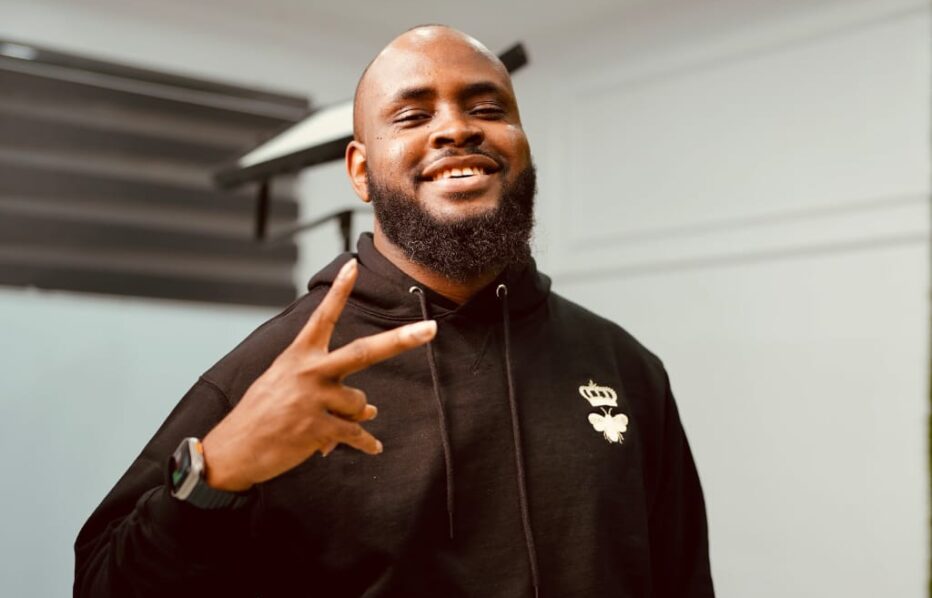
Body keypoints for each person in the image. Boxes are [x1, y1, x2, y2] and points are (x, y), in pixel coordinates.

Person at [74, 25, 714, 598]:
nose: (456, 129)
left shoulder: (625, 366)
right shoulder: (277, 371)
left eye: (487, 108)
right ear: (360, 171)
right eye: (412, 115)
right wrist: (217, 470)